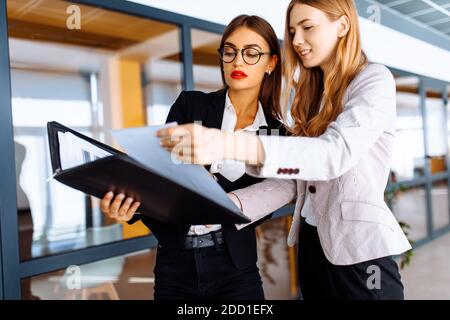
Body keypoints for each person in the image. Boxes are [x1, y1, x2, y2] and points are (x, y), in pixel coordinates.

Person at [157, 0, 412, 300]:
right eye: (292, 31)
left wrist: (227, 143)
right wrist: (224, 206)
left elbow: (333, 154)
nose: (297, 40)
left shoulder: (373, 80)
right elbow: (294, 181)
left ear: (342, 26)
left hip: (360, 256)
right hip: (313, 249)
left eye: (307, 27)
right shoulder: (312, 97)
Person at [101, 15, 284, 300]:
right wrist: (133, 207)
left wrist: (214, 194)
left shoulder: (275, 133)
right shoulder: (191, 105)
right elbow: (161, 177)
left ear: (271, 63)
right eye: (230, 51)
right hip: (175, 264)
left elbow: (268, 200)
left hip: (235, 265)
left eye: (251, 53)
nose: (238, 62)